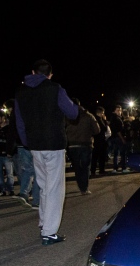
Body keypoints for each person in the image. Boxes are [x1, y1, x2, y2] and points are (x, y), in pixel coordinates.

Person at [13, 59, 78, 246]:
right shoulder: (55, 88)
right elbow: (73, 113)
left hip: (35, 145)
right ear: (50, 74)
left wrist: (27, 142)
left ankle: (43, 222)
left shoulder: (21, 92)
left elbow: (19, 122)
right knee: (54, 188)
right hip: (54, 144)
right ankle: (49, 232)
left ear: (33, 72)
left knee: (43, 185)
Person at [6, 99, 39, 209]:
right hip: (35, 144)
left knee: (27, 170)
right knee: (38, 172)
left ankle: (24, 193)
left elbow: (12, 132)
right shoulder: (34, 108)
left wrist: (9, 150)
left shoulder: (16, 113)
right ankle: (36, 200)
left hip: (22, 144)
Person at [65, 98, 99, 195]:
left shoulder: (67, 116)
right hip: (85, 144)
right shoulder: (88, 115)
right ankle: (84, 188)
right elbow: (97, 130)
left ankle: (81, 186)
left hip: (72, 144)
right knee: (85, 167)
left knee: (77, 167)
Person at [0, 109, 17, 196]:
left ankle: (10, 189)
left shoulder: (9, 128)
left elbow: (12, 140)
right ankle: (1, 190)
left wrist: (10, 151)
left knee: (9, 173)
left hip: (7, 154)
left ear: (3, 118)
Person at [90, 105, 110, 176]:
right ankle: (101, 170)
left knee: (95, 157)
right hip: (100, 140)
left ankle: (93, 170)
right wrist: (105, 120)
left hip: (96, 140)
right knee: (101, 156)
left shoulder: (93, 119)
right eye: (102, 113)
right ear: (100, 113)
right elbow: (104, 128)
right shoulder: (99, 120)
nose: (103, 114)